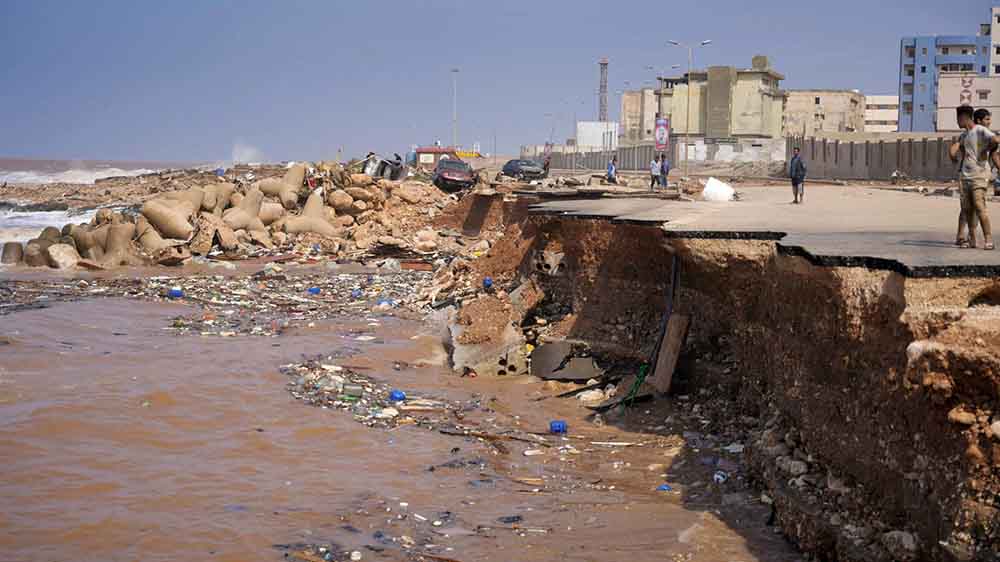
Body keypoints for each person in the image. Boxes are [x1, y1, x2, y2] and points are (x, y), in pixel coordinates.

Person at [949, 105, 996, 249]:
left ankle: (988, 239)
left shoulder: (980, 130)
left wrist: (988, 148)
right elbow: (955, 148)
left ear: (964, 118)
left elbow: (995, 139)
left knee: (979, 206)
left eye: (958, 119)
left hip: (979, 176)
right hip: (965, 177)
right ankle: (972, 239)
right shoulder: (964, 135)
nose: (957, 122)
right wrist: (952, 154)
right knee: (967, 209)